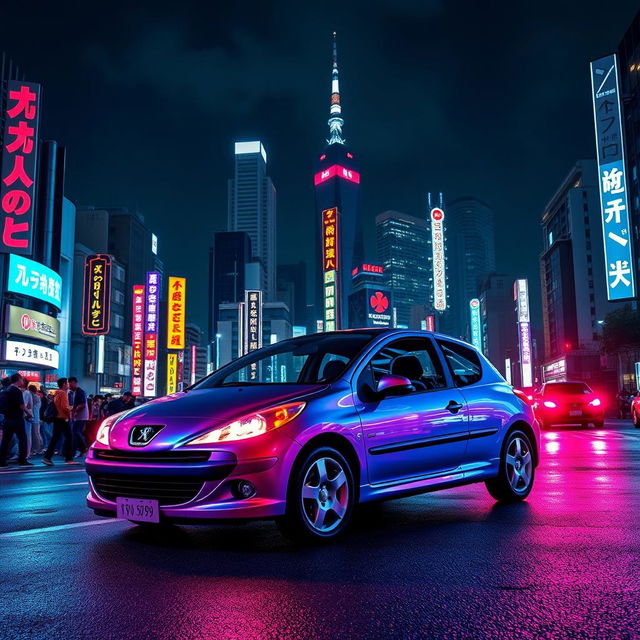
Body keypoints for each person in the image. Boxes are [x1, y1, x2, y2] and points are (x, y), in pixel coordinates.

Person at [43, 378, 79, 466]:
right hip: (63, 418)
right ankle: (69, 459)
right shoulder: (63, 393)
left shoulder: (57, 393)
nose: (68, 385)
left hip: (57, 418)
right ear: (63, 384)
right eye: (67, 383)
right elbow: (64, 407)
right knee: (69, 438)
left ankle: (47, 457)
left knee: (55, 438)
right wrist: (71, 409)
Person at [0, 373, 32, 467]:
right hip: (17, 419)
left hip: (7, 419)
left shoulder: (6, 390)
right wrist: (29, 414)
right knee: (23, 439)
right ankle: (22, 460)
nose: (23, 381)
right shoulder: (16, 390)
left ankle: (2, 461)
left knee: (5, 440)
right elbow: (22, 406)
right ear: (18, 379)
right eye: (22, 379)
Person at [68, 377, 89, 457]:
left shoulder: (80, 392)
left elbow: (82, 404)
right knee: (75, 432)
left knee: (76, 432)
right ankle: (81, 449)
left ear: (75, 383)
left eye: (71, 383)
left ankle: (83, 448)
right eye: (69, 383)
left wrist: (75, 411)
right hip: (76, 416)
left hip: (81, 416)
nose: (69, 385)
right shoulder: (71, 393)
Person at [28, 385, 42, 457]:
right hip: (36, 418)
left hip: (34, 418)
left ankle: (37, 449)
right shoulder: (37, 397)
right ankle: (37, 449)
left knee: (35, 434)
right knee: (36, 434)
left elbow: (29, 406)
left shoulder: (34, 397)